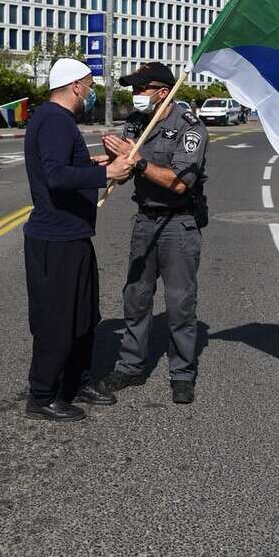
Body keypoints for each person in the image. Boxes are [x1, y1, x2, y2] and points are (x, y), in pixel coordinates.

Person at [23, 58, 132, 422]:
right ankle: (41, 395)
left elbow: (64, 165)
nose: (91, 91)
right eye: (89, 85)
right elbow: (54, 175)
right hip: (55, 238)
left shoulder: (57, 120)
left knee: (85, 316)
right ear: (75, 87)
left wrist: (97, 164)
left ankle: (77, 381)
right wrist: (107, 174)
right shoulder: (54, 120)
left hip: (74, 233)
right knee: (57, 319)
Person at [100, 62, 209, 405]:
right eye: (133, 90)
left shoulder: (190, 129)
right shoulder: (136, 123)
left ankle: (182, 373)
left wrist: (138, 162)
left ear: (163, 93)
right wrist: (114, 162)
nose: (135, 96)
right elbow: (121, 175)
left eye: (141, 90)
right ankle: (131, 365)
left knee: (180, 303)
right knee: (136, 296)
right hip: (145, 220)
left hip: (178, 223)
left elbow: (179, 183)